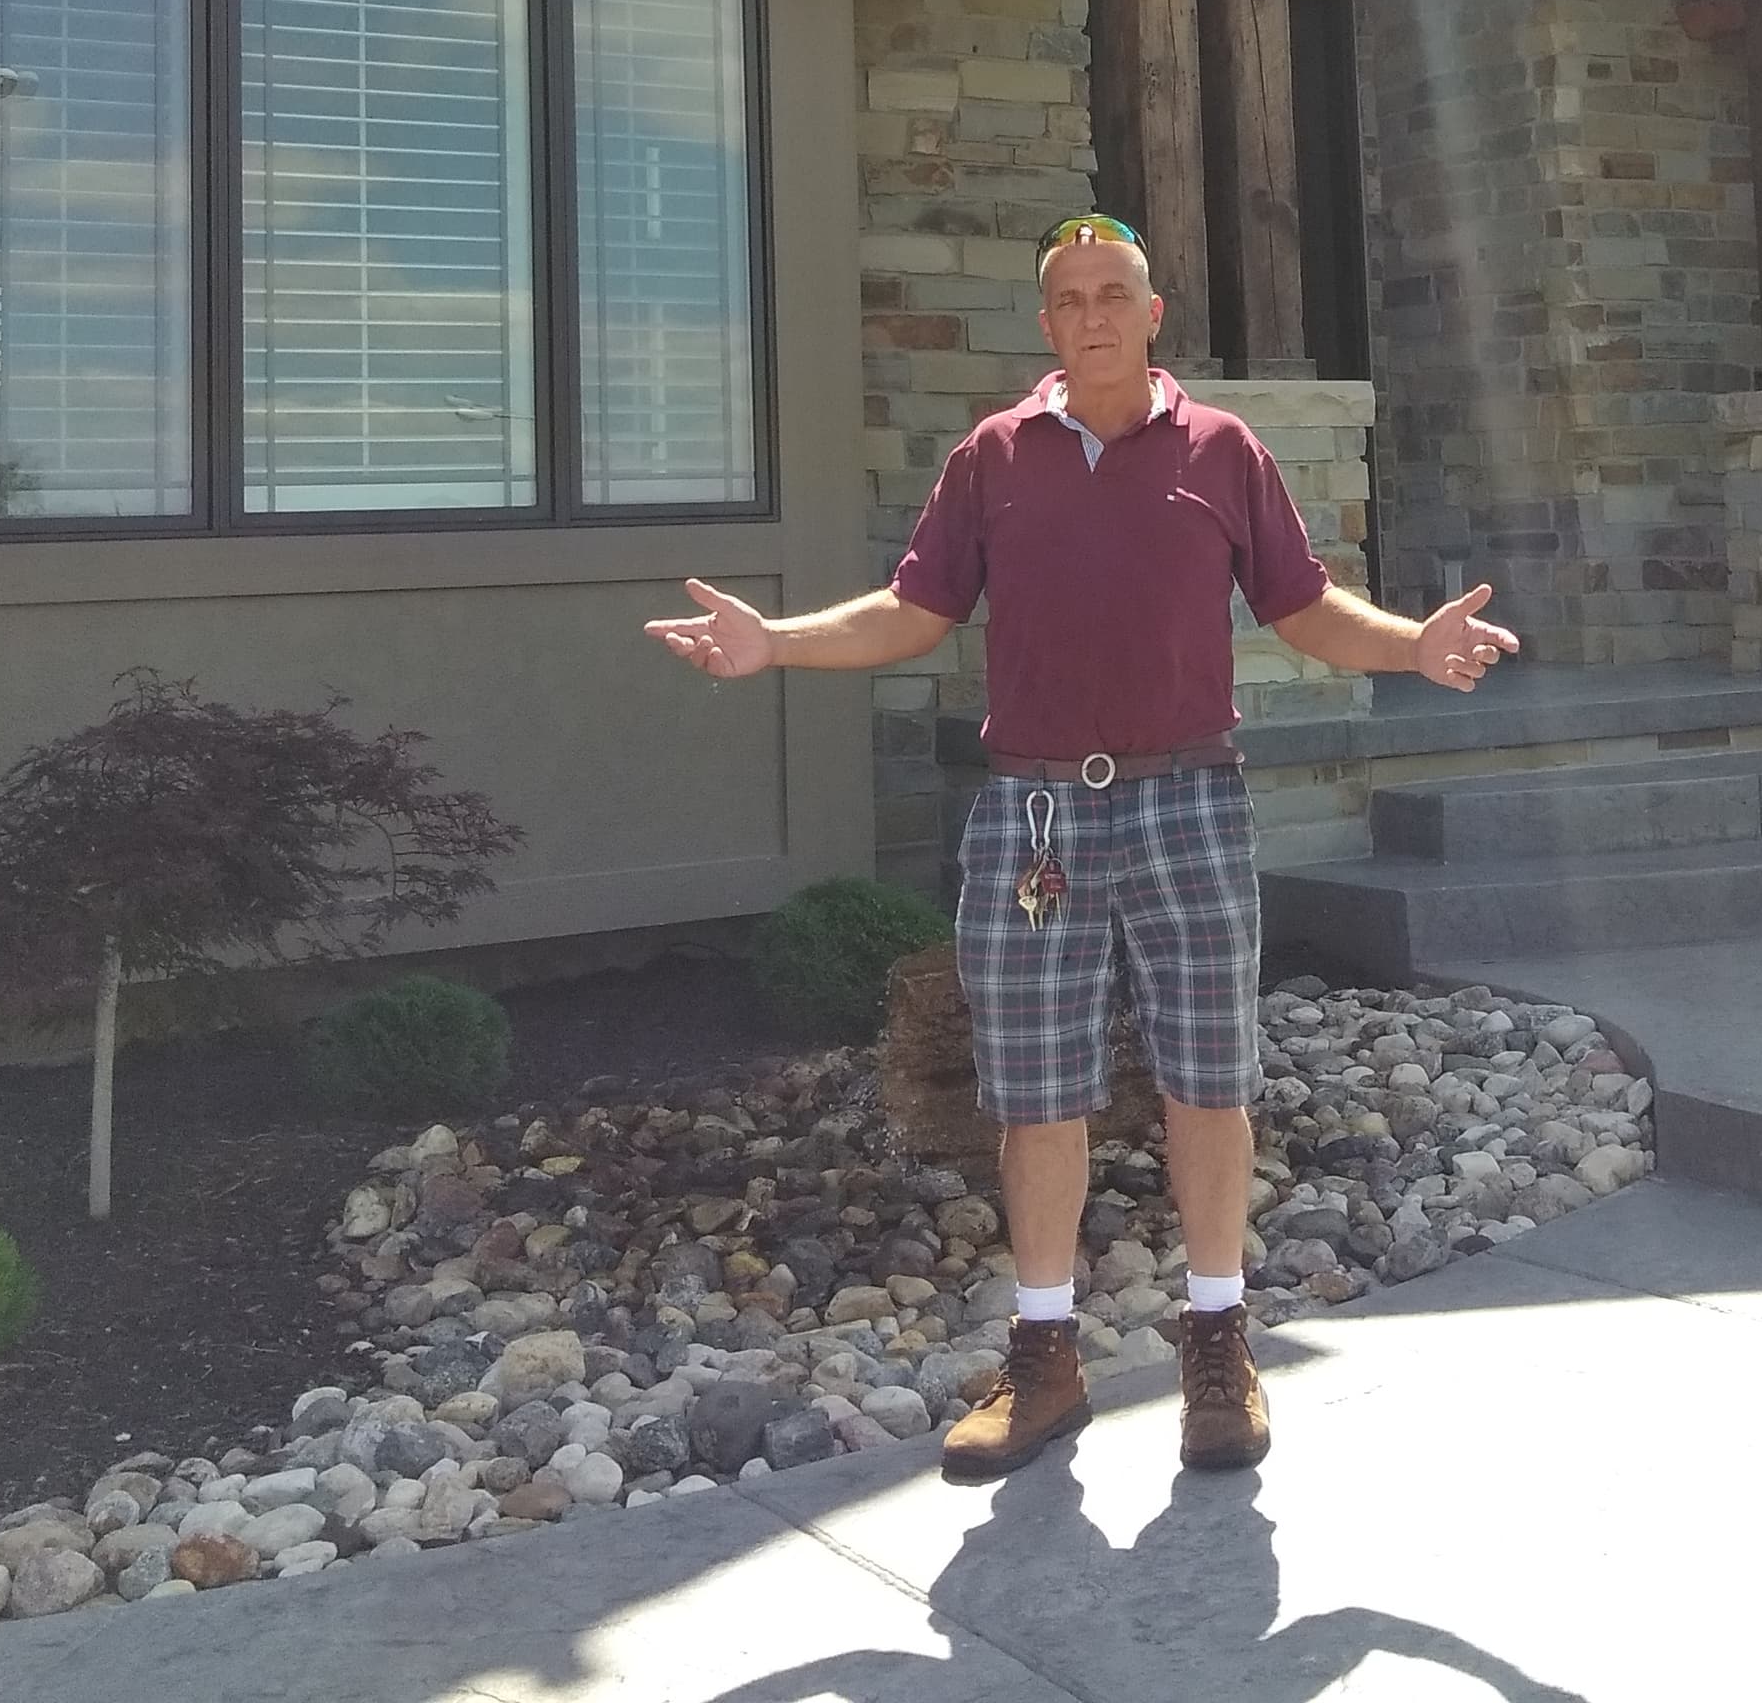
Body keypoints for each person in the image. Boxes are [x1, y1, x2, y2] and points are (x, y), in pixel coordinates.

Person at [644, 213, 1517, 1479]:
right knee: (1035, 1092)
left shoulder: (1222, 450)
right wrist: (774, 642)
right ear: (1048, 324)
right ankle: (1045, 1357)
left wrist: (1414, 648)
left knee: (1208, 1081)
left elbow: (1303, 606)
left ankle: (1217, 1342)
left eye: (1115, 293)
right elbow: (914, 609)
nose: (1093, 314)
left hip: (1188, 801)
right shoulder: (993, 456)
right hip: (1035, 815)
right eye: (1070, 298)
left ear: (1151, 315)